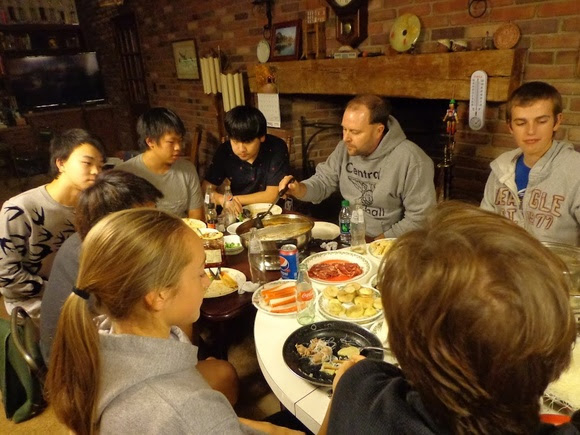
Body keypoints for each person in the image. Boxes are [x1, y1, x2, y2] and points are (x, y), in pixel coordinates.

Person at [320, 201, 578, 434]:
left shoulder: (361, 387)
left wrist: (348, 383)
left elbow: (358, 378)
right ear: (560, 356)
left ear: (397, 344)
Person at [45, 209, 302, 434]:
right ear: (159, 296)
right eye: (200, 272)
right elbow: (194, 420)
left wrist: (266, 428)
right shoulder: (183, 408)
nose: (207, 281)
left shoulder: (97, 337)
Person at [39, 169, 163, 363]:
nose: (156, 226)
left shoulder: (90, 239)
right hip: (75, 366)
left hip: (92, 346)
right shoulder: (104, 262)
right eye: (146, 220)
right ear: (112, 224)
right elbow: (142, 320)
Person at [279, 95, 436, 239]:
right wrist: (299, 189)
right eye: (344, 129)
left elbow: (420, 218)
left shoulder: (413, 160)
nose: (346, 138)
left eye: (354, 131)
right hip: (349, 235)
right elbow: (323, 181)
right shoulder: (344, 149)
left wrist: (377, 243)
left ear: (378, 131)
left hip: (391, 245)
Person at [0, 128, 105, 318]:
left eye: (100, 165)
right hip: (35, 301)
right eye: (87, 163)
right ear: (61, 163)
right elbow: (7, 278)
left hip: (82, 294)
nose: (96, 171)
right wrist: (64, 290)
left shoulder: (93, 206)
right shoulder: (19, 209)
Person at [481, 81, 580, 246]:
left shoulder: (575, 171)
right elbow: (483, 227)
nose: (531, 131)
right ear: (510, 127)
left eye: (541, 121)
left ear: (557, 121)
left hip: (554, 270)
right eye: (521, 123)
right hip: (502, 265)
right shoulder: (500, 169)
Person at [117, 107, 204, 219]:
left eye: (180, 140)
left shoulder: (187, 170)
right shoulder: (125, 174)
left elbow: (197, 219)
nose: (178, 147)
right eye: (171, 142)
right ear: (150, 141)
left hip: (181, 232)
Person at [203, 105, 290, 215]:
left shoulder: (276, 147)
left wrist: (231, 199)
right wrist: (222, 199)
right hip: (238, 213)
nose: (241, 149)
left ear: (262, 136)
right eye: (235, 141)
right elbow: (206, 188)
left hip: (271, 212)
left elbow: (272, 195)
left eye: (248, 142)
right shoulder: (225, 151)